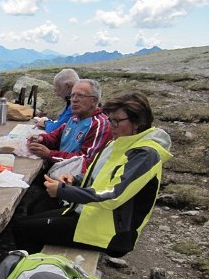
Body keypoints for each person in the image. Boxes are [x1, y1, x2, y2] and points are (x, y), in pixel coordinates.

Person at [13, 92, 172, 257]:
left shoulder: (145, 154)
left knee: (23, 228)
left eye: (117, 121)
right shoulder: (120, 143)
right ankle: (40, 265)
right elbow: (99, 176)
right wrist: (75, 180)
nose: (112, 126)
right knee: (29, 217)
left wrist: (63, 191)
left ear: (139, 122)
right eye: (110, 120)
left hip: (109, 233)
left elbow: (114, 196)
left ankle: (37, 273)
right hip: (91, 215)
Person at [27, 79, 112, 171]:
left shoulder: (100, 125)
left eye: (80, 95)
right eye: (72, 95)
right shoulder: (74, 118)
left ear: (94, 101)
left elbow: (86, 161)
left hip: (71, 179)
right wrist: (41, 138)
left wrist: (49, 154)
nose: (74, 100)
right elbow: (55, 137)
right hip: (59, 169)